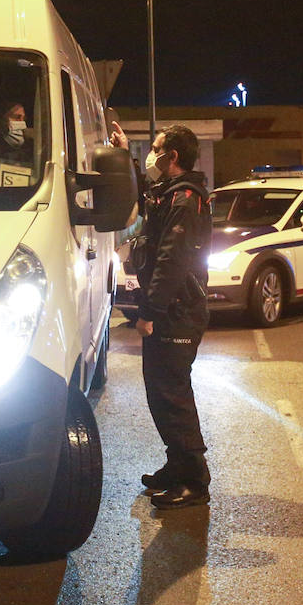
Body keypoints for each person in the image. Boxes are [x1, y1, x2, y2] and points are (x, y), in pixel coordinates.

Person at [110, 121, 213, 509]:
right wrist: (124, 155)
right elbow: (146, 194)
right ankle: (176, 466)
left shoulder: (186, 198)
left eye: (155, 149)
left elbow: (171, 261)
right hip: (171, 309)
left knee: (172, 395)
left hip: (177, 312)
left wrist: (149, 312)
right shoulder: (170, 193)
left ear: (172, 157)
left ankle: (194, 482)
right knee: (160, 392)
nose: (151, 153)